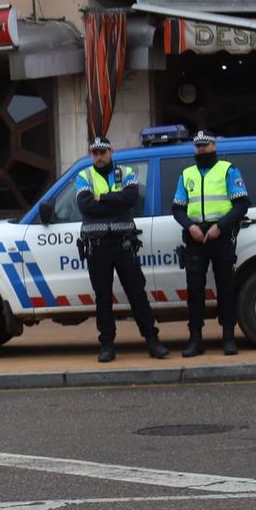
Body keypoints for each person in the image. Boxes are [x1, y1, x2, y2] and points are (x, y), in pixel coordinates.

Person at [75, 135, 170, 363]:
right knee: (103, 298)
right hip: (97, 247)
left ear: (111, 152)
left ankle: (152, 340)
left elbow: (130, 199)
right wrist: (112, 201)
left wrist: (101, 198)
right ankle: (107, 345)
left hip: (124, 244)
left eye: (103, 152)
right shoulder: (83, 175)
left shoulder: (126, 172)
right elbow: (85, 205)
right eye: (95, 153)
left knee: (137, 294)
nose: (99, 157)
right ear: (91, 155)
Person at [173, 131, 250, 357]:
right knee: (194, 291)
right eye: (198, 146)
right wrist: (190, 226)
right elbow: (177, 208)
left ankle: (228, 338)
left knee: (225, 289)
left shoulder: (228, 170)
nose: (201, 150)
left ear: (214, 146)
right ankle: (195, 339)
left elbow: (241, 204)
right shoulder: (186, 174)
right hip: (195, 238)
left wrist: (220, 226)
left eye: (205, 145)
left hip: (221, 236)